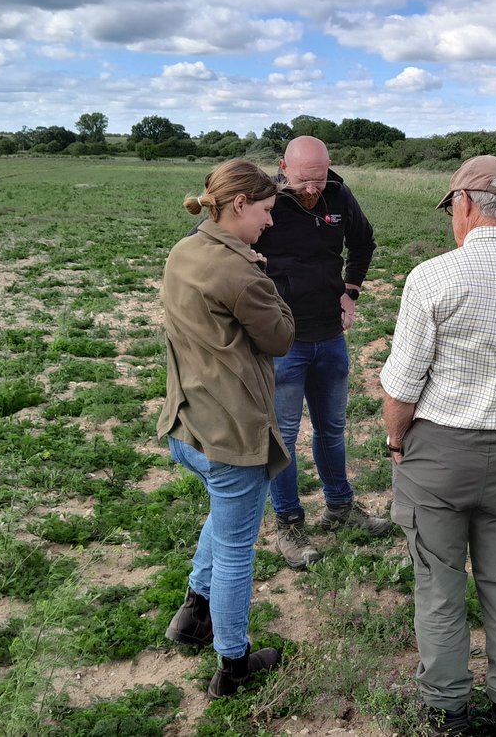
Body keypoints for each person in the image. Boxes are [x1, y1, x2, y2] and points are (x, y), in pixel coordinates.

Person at [381, 156, 496, 737]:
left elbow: (403, 386)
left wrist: (394, 440)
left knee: (439, 583)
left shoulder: (432, 278)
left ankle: (447, 710)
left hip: (438, 451)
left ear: (462, 205)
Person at [158, 158, 294, 698]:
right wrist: (264, 278)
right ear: (240, 204)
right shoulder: (241, 272)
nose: (269, 221)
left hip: (187, 422)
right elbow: (281, 336)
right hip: (232, 434)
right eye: (265, 210)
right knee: (239, 548)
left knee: (223, 515)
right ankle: (232, 667)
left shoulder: (184, 251)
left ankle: (193, 612)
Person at [255, 135, 389, 570]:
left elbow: (364, 243)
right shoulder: (265, 201)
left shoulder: (338, 194)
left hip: (330, 336)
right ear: (283, 168)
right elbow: (220, 244)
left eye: (320, 179)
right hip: (283, 342)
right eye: (303, 181)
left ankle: (339, 506)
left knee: (331, 429)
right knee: (285, 437)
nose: (312, 189)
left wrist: (351, 291)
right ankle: (289, 524)